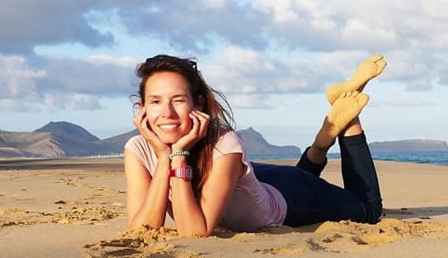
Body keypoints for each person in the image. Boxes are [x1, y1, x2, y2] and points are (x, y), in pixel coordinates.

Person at [124, 54, 387, 237]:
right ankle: (321, 144)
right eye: (156, 101)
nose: (166, 112)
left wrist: (178, 155)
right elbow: (141, 229)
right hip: (255, 180)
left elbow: (194, 232)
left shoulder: (224, 144)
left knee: (370, 210)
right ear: (142, 107)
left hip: (291, 200)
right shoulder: (138, 149)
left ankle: (348, 119)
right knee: (295, 177)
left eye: (178, 100)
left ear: (199, 105)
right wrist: (162, 159)